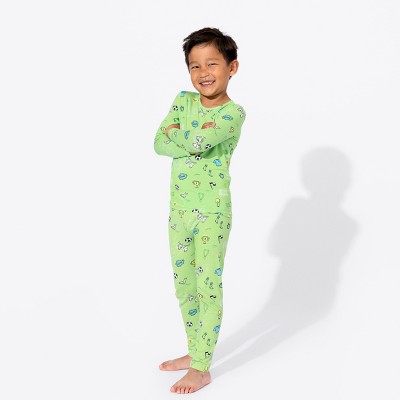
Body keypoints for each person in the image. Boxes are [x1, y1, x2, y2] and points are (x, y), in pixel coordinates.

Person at [153, 27, 246, 394]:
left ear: (232, 67)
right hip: (179, 211)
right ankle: (195, 351)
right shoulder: (183, 100)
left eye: (212, 64)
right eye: (195, 65)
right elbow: (159, 142)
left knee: (207, 286)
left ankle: (202, 367)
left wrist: (180, 137)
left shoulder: (233, 113)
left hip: (212, 212)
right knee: (184, 286)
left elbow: (199, 140)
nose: (203, 72)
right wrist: (186, 140)